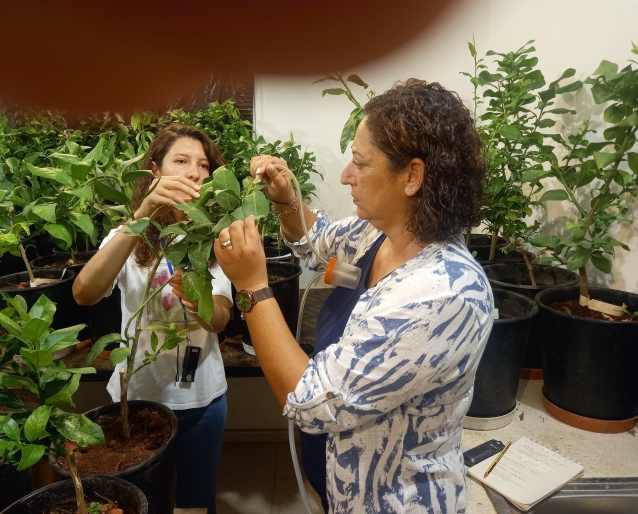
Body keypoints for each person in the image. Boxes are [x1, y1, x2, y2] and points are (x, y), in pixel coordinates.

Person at [214, 79, 494, 513]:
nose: (346, 175)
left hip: (391, 499)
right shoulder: (375, 234)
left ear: (412, 177)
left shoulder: (442, 294)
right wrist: (287, 199)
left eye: (360, 163)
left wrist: (251, 287)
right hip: (338, 477)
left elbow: (308, 399)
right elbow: (315, 241)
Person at [73, 124, 232, 513]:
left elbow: (221, 319)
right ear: (155, 170)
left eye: (204, 165)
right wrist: (141, 216)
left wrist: (198, 302)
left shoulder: (214, 239)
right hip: (138, 396)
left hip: (200, 397)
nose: (195, 172)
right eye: (181, 161)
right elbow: (84, 293)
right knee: (142, 499)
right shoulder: (129, 236)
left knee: (195, 502)